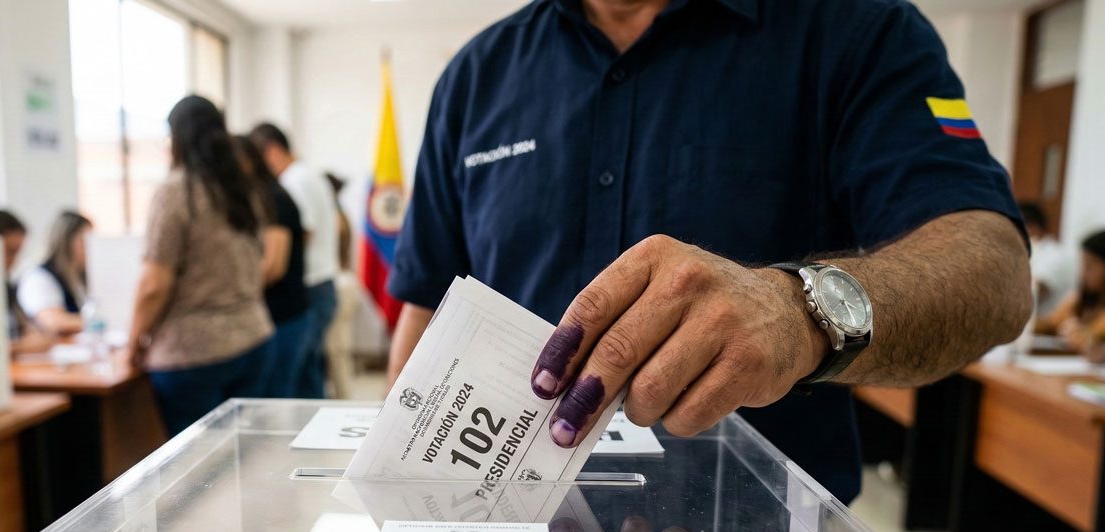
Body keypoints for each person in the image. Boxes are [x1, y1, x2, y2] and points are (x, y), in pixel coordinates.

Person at [388, 0, 1030, 506]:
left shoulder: (856, 31)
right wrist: (393, 523)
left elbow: (994, 268)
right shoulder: (477, 76)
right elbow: (426, 309)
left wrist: (799, 313)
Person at [128, 96, 274, 436]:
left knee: (197, 472)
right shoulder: (242, 188)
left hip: (192, 352)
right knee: (243, 456)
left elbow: (154, 284)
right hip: (252, 336)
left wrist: (134, 341)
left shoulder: (176, 192)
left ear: (176, 137)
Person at [248, 122, 338, 399]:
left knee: (292, 383)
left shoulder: (294, 181)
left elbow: (303, 234)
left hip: (309, 287)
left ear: (273, 151)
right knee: (308, 377)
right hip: (321, 284)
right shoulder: (310, 174)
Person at [234, 134, 311, 398]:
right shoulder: (266, 195)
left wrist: (233, 294)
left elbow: (273, 267)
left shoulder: (271, 198)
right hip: (286, 311)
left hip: (284, 314)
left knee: (279, 398)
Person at [0, 209, 53, 357]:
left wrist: (9, 348)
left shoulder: (5, 286)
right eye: (10, 251)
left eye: (18, 253)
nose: (14, 262)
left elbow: (42, 338)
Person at [17, 210, 92, 336]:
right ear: (65, 242)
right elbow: (56, 323)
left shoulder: (79, 276)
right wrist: (102, 322)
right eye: (84, 241)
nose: (90, 247)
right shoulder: (38, 277)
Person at [1034, 231, 1105, 361]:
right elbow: (1051, 323)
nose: (1083, 274)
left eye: (1091, 267)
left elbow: (1095, 340)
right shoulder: (1081, 297)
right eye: (1083, 266)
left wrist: (1084, 337)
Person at [324, 172, 358, 399]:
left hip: (340, 284)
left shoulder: (335, 217)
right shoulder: (339, 213)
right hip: (345, 282)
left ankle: (344, 400)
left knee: (338, 351)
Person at [1023, 201, 1075, 318]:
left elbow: (1033, 292)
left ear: (1033, 227)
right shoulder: (1034, 251)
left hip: (1048, 330)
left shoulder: (1055, 254)